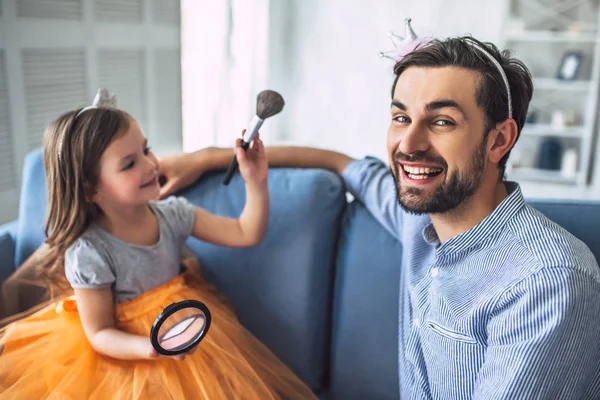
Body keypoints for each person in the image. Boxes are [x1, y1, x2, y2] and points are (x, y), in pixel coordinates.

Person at [158, 36, 600, 399]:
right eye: (400, 117)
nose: (409, 144)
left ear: (499, 139)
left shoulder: (547, 282)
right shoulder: (420, 217)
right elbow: (341, 162)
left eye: (442, 121)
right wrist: (208, 158)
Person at [0, 89, 317, 400]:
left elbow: (246, 232)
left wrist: (255, 181)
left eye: (146, 150)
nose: (151, 165)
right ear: (89, 190)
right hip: (126, 354)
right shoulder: (89, 252)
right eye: (129, 164)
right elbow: (99, 333)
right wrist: (151, 348)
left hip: (184, 328)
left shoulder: (173, 214)